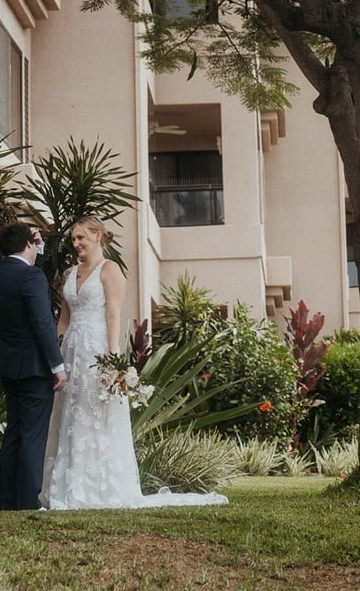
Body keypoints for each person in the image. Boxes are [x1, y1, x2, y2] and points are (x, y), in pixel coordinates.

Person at [39, 216, 226, 509]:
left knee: (93, 415)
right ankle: (66, 487)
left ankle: (94, 490)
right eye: (73, 239)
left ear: (98, 236)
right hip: (71, 353)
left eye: (80, 238)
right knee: (69, 416)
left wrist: (111, 360)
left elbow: (113, 315)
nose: (75, 244)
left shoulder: (110, 271)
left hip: (96, 350)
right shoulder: (68, 274)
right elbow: (63, 319)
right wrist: (54, 356)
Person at [0, 222, 62, 512]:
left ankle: (10, 501)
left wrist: (39, 252)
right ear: (28, 244)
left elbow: (29, 282)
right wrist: (57, 366)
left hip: (10, 366)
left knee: (15, 433)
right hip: (35, 366)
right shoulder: (30, 277)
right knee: (33, 434)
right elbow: (43, 322)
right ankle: (30, 501)